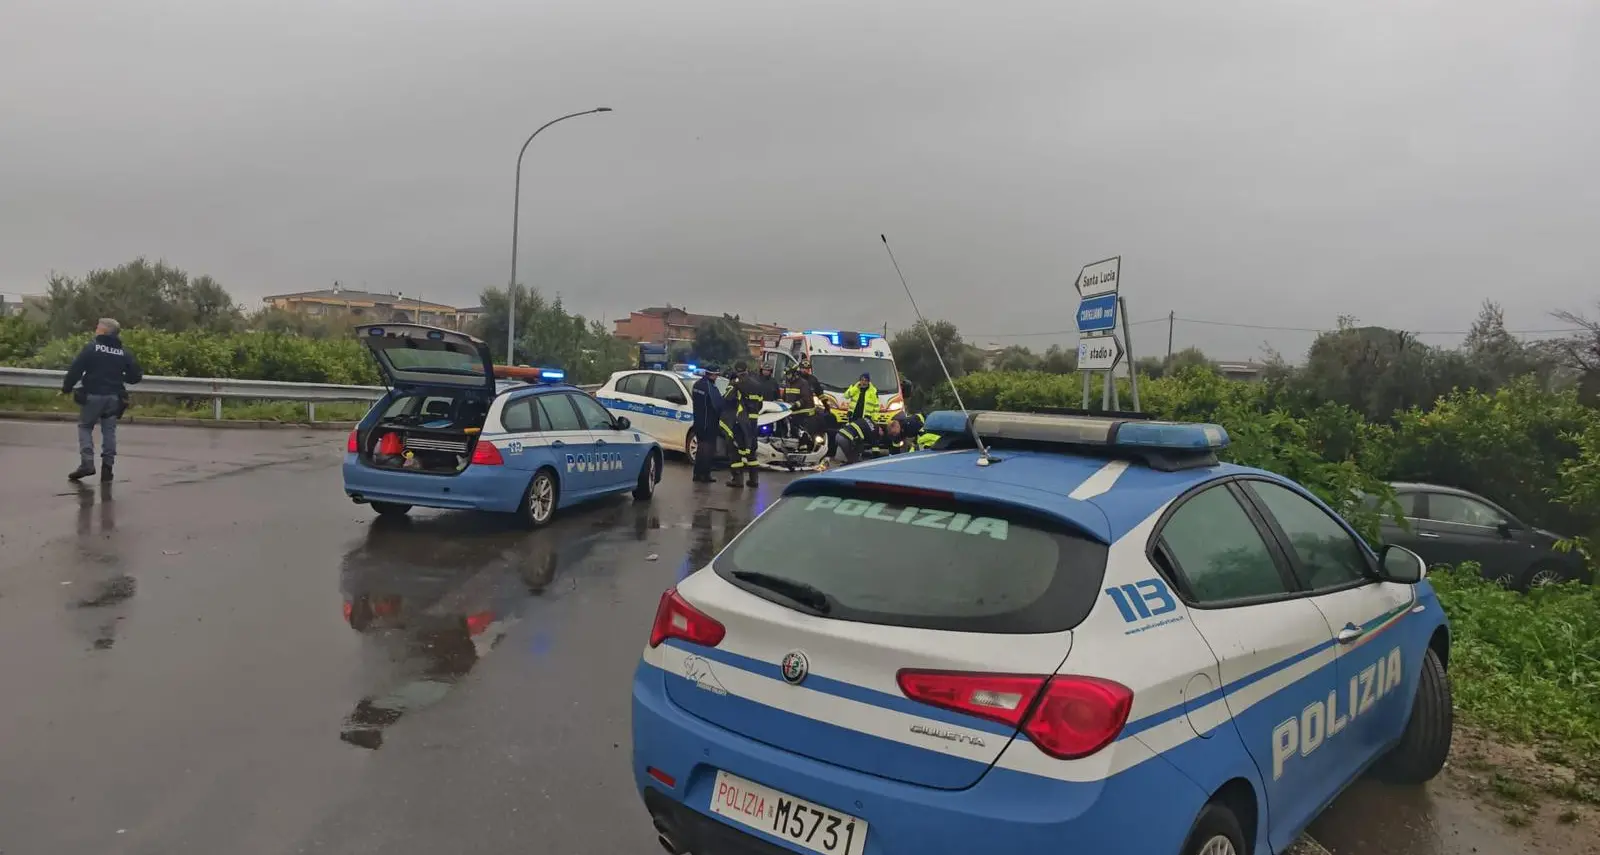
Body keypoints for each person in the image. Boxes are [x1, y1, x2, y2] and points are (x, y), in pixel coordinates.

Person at [60, 317, 142, 482]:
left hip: (93, 395)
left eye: (98, 327)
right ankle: (107, 469)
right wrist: (119, 377)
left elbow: (76, 369)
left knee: (85, 427)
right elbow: (136, 376)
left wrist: (66, 388)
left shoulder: (92, 348)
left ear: (104, 331)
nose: (96, 330)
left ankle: (87, 463)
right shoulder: (123, 353)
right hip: (114, 398)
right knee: (109, 431)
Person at [725, 361, 773, 488]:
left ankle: (737, 480)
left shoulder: (736, 383)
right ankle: (754, 480)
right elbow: (760, 403)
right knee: (751, 449)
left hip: (740, 421)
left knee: (735, 449)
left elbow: (727, 398)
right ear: (746, 370)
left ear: (736, 370)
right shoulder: (758, 385)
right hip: (754, 421)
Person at [689, 364, 724, 483]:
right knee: (708, 449)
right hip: (709, 423)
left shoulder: (697, 385)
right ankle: (705, 474)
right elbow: (718, 405)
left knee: (700, 448)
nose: (717, 377)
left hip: (698, 421)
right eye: (717, 375)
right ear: (712, 374)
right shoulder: (710, 387)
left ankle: (697, 474)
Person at [779, 361, 826, 447]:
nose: (787, 377)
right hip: (792, 414)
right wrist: (781, 402)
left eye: (789, 374)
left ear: (794, 373)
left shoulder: (803, 383)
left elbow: (806, 398)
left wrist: (796, 404)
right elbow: (785, 396)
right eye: (786, 375)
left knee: (806, 436)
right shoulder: (788, 383)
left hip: (805, 416)